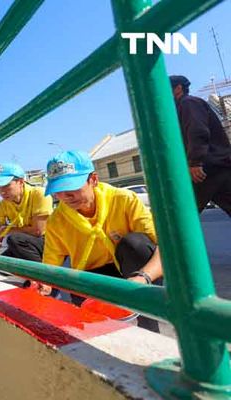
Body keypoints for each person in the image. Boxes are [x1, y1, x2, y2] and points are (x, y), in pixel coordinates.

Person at [41, 151, 163, 332]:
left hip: (133, 271)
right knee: (96, 331)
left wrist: (142, 278)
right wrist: (42, 284)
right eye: (58, 190)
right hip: (92, 275)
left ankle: (148, 325)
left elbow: (165, 249)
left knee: (135, 244)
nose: (65, 196)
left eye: (71, 187)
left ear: (93, 180)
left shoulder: (123, 200)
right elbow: (50, 265)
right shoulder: (56, 221)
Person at [170, 75, 231, 216]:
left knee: (181, 215)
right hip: (215, 168)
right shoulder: (183, 106)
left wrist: (195, 162)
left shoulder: (188, 103)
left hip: (206, 169)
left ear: (178, 88)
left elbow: (197, 130)